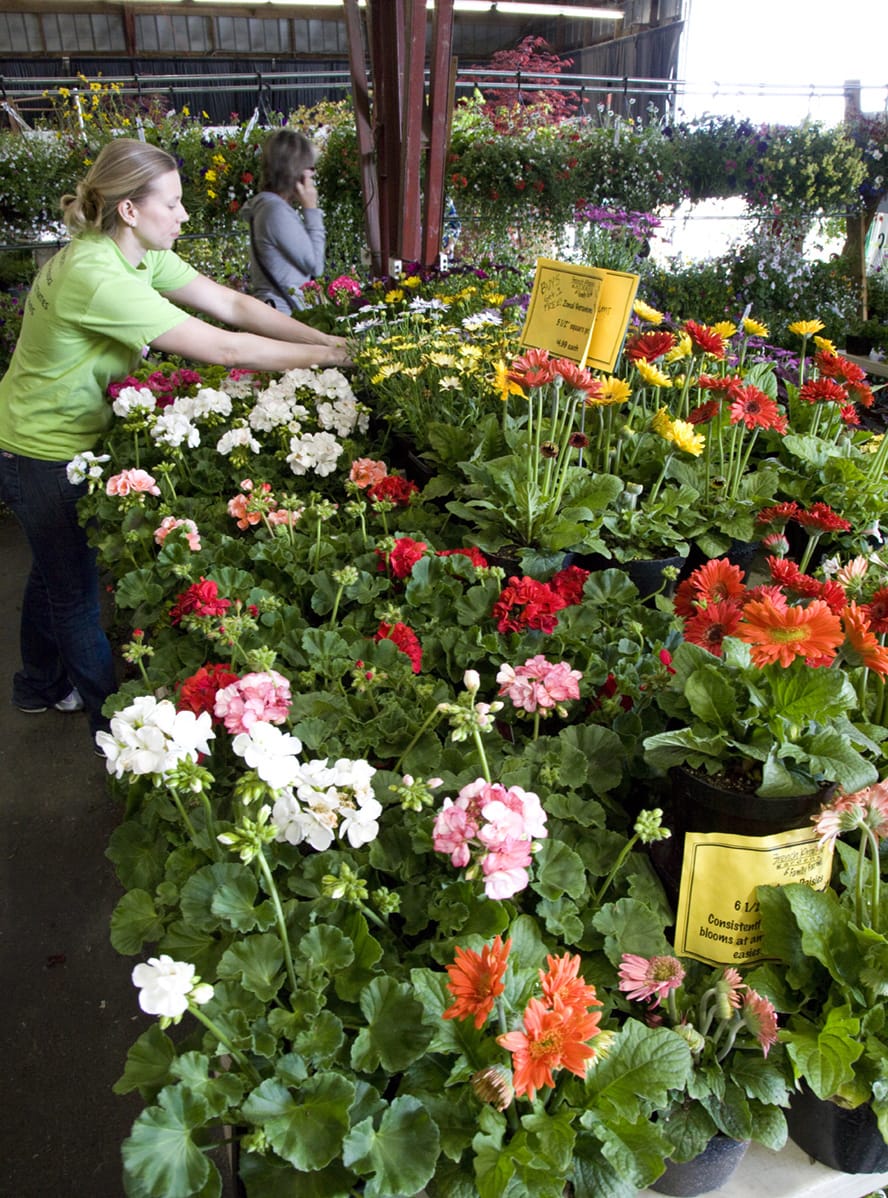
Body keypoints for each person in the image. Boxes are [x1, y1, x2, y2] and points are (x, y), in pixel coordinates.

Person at [0, 137, 351, 745]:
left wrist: (327, 342)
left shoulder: (133, 254)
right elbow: (223, 347)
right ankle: (114, 728)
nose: (185, 215)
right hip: (41, 449)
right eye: (174, 203)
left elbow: (234, 306)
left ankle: (36, 683)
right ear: (130, 209)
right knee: (77, 591)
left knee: (53, 571)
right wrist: (331, 359)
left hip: (54, 438)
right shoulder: (96, 273)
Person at [240, 128, 325, 312]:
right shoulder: (275, 211)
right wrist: (311, 209)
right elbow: (316, 266)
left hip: (278, 310)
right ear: (296, 172)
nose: (313, 175)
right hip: (283, 313)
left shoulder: (269, 207)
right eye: (310, 168)